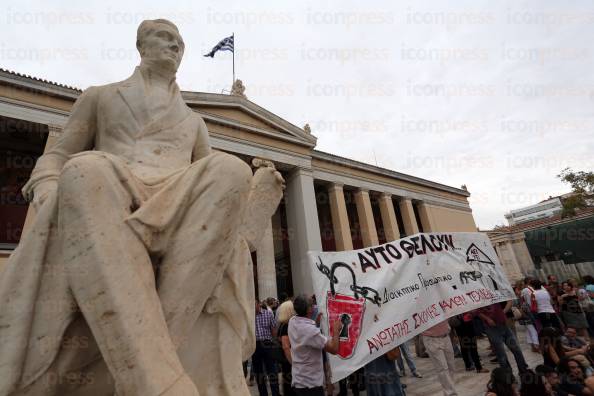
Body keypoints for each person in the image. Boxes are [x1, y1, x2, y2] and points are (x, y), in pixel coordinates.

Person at [0, 18, 285, 396]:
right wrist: (51, 191)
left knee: (231, 169)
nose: (173, 48)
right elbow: (57, 157)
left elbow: (213, 184)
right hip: (115, 188)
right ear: (141, 46)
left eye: (178, 44)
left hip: (178, 202)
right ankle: (160, 381)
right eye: (164, 39)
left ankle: (147, 369)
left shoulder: (195, 122)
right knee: (84, 169)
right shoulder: (100, 96)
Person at [288, 294, 342, 396]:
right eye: (312, 305)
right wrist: (336, 331)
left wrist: (315, 324)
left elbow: (307, 337)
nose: (314, 307)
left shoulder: (292, 321)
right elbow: (334, 349)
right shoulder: (309, 331)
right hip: (311, 384)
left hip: (299, 380)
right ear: (309, 310)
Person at [478, 302, 529, 373]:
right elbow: (475, 311)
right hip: (492, 328)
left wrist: (504, 311)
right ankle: (508, 376)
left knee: (516, 349)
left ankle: (523, 370)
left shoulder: (495, 292)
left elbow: (509, 300)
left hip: (504, 324)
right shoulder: (476, 295)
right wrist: (487, 319)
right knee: (501, 354)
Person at [422, 319, 458, 396]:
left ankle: (448, 391)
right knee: (442, 368)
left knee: (451, 366)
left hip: (446, 336)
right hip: (431, 338)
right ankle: (451, 393)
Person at [253, 301, 281, 396]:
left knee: (272, 371)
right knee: (258, 373)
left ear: (258, 304)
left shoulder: (268, 313)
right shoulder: (249, 317)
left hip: (268, 344)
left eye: (254, 304)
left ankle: (275, 393)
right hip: (255, 346)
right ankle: (263, 394)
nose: (252, 307)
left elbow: (273, 330)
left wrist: (274, 343)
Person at [277, 300, 297, 396]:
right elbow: (286, 346)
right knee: (290, 386)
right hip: (289, 360)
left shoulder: (282, 325)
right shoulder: (286, 326)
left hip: (286, 359)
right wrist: (292, 362)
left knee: (288, 384)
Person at [514, 285, 540, 353]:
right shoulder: (518, 299)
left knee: (528, 331)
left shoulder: (519, 298)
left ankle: (532, 346)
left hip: (523, 317)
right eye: (518, 290)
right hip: (526, 317)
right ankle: (536, 346)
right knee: (533, 331)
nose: (519, 291)